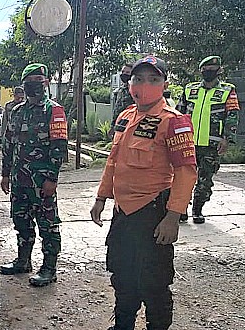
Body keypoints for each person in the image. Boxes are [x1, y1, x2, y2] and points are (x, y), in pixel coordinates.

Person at [90, 56, 197, 330]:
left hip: (153, 214)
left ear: (165, 84)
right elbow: (113, 160)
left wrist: (173, 217)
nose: (144, 85)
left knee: (154, 283)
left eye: (153, 79)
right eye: (138, 79)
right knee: (122, 276)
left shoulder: (174, 121)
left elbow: (186, 172)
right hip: (123, 213)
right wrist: (101, 198)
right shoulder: (126, 116)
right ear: (130, 83)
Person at [0, 63, 68, 287]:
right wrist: (5, 174)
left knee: (47, 224)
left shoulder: (54, 111)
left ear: (45, 84)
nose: (33, 88)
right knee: (21, 220)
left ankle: (49, 268)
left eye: (38, 83)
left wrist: (52, 178)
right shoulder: (17, 111)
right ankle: (23, 260)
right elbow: (8, 144)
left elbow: (59, 147)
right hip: (20, 180)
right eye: (29, 84)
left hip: (42, 181)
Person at [176, 55, 239, 224]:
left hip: (211, 145)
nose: (208, 72)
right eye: (205, 70)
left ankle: (197, 210)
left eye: (211, 70)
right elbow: (178, 114)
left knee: (204, 181)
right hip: (187, 143)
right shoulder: (190, 89)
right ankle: (181, 209)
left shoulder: (227, 91)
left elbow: (232, 116)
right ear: (201, 71)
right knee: (183, 179)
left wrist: (226, 138)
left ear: (219, 71)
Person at [112, 62, 135, 127]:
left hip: (131, 124)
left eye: (127, 72)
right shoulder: (121, 90)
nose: (124, 74)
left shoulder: (137, 90)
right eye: (122, 72)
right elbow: (116, 109)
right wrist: (113, 125)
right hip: (119, 124)